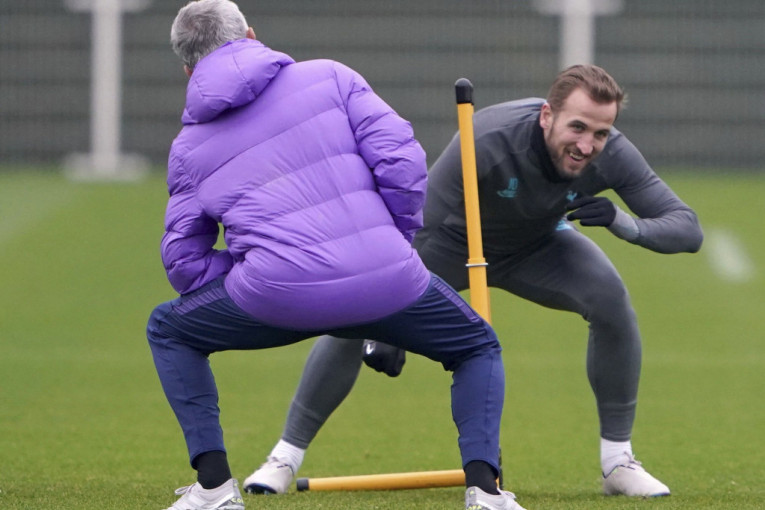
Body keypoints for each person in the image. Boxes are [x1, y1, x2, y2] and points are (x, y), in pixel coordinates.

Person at [245, 64, 704, 498]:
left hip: (539, 245)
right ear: (547, 116)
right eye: (578, 128)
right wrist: (386, 321)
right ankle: (284, 457)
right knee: (355, 312)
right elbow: (418, 225)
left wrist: (624, 223)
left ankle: (618, 463)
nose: (587, 145)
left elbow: (687, 228)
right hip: (451, 242)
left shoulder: (613, 154)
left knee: (611, 301)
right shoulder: (489, 137)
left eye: (601, 133)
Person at [146, 1, 526, 509]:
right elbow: (402, 161)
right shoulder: (330, 75)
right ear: (251, 34)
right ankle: (486, 491)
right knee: (477, 347)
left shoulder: (187, 145)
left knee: (168, 329)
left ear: (187, 69)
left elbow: (184, 261)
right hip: (387, 279)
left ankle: (214, 488)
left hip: (272, 297)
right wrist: (392, 240)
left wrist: (251, 271)